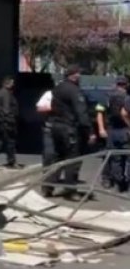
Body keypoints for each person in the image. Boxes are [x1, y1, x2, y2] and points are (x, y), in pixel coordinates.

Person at [42, 65, 95, 199]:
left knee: (57, 158)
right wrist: (90, 131)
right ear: (74, 75)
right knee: (72, 159)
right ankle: (70, 190)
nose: (80, 77)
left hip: (56, 127)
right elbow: (81, 113)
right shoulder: (74, 91)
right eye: (79, 74)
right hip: (69, 129)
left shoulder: (57, 88)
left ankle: (47, 187)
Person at [95, 76, 130, 192]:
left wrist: (101, 129)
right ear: (126, 84)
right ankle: (122, 182)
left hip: (111, 130)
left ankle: (115, 180)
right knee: (125, 156)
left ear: (116, 84)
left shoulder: (107, 96)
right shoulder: (127, 97)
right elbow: (124, 114)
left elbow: (99, 112)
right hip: (125, 130)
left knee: (113, 156)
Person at [36, 88, 55, 168]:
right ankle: (47, 171)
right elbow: (39, 108)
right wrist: (52, 108)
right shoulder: (49, 94)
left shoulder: (72, 92)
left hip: (66, 127)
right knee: (49, 152)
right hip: (50, 127)